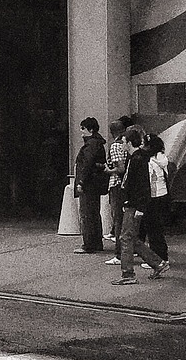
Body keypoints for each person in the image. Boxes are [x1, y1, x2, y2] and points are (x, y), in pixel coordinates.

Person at [112, 126, 168, 285]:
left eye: (123, 141)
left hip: (134, 205)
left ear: (129, 142)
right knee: (131, 238)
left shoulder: (136, 160)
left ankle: (128, 274)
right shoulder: (139, 158)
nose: (122, 145)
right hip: (135, 204)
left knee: (125, 238)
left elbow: (140, 186)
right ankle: (158, 263)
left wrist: (139, 207)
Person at [72, 117, 108, 254]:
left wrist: (81, 182)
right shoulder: (97, 144)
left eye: (83, 129)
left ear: (90, 130)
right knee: (94, 213)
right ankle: (96, 242)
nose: (81, 132)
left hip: (89, 184)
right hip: (95, 183)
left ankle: (89, 244)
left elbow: (86, 164)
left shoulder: (90, 145)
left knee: (87, 214)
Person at [140, 133, 170, 268]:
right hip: (163, 194)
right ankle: (163, 256)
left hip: (152, 196)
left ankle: (158, 258)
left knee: (152, 228)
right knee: (157, 228)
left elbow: (149, 181)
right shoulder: (162, 158)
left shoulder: (150, 161)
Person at [104, 117, 131, 265]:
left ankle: (119, 253)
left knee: (118, 220)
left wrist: (109, 170)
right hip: (127, 186)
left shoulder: (115, 146)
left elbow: (120, 168)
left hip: (117, 185)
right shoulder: (128, 144)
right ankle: (129, 250)